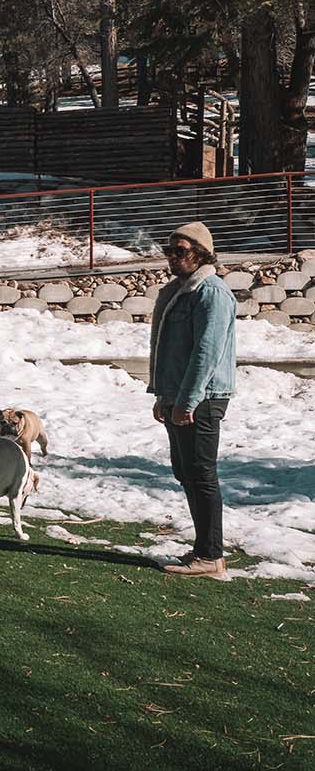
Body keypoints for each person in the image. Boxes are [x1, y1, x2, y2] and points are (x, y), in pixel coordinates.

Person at [148, 221, 236, 578]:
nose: (172, 257)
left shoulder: (211, 292)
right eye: (169, 251)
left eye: (180, 251)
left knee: (201, 475)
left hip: (202, 399)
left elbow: (207, 353)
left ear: (200, 252)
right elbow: (169, 351)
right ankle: (204, 549)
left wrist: (187, 401)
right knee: (186, 472)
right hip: (180, 396)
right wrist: (164, 396)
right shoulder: (180, 290)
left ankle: (211, 557)